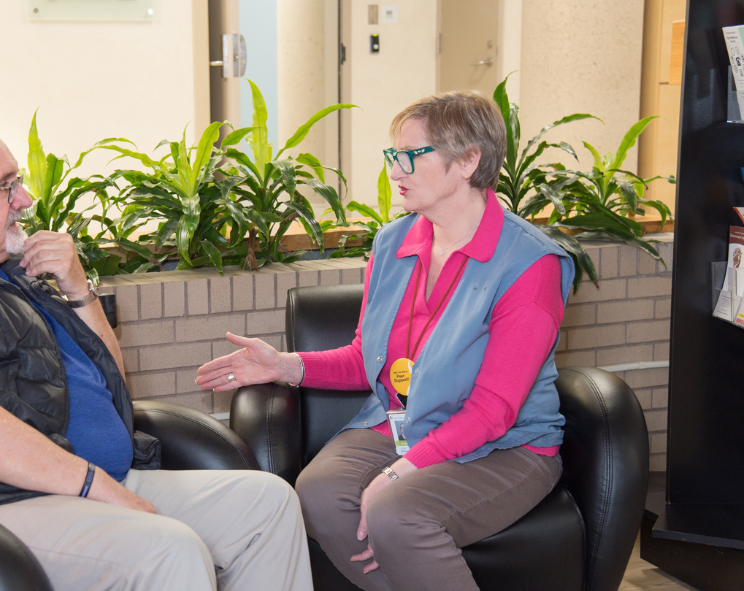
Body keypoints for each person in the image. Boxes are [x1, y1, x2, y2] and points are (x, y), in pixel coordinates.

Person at [0, 117, 312, 591]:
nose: (25, 198)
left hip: (79, 485)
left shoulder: (1, 275)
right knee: (163, 549)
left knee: (267, 505)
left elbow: (112, 383)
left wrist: (78, 288)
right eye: (5, 186)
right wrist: (98, 487)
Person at [197, 91, 574, 591]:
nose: (396, 169)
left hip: (505, 446)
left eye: (411, 156)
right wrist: (285, 366)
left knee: (397, 512)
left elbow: (493, 411)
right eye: (392, 155)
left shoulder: (530, 264)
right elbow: (366, 358)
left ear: (468, 161)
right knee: (317, 494)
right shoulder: (393, 242)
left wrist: (397, 474)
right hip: (402, 424)